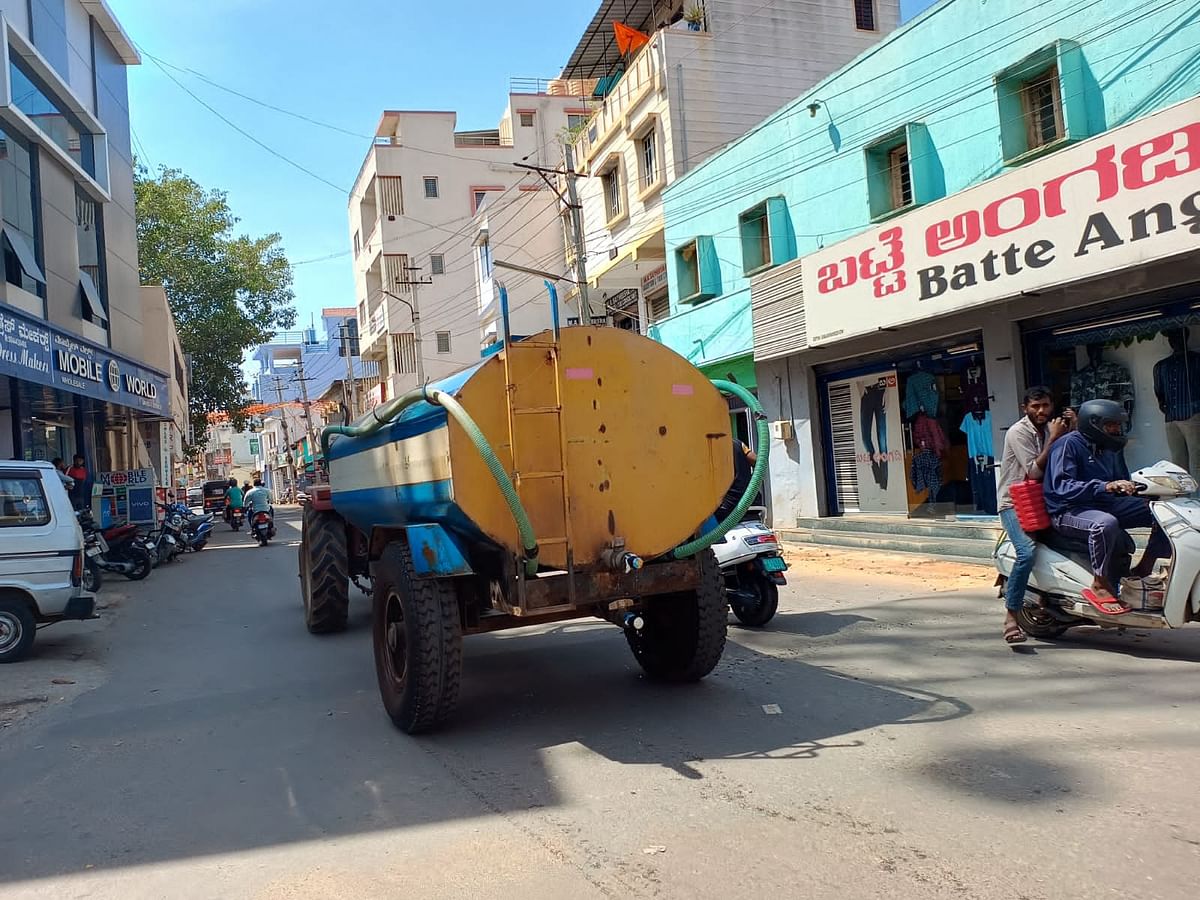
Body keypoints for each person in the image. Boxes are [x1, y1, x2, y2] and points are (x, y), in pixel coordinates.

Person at [1043, 398, 1170, 615]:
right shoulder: (1067, 445)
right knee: (1104, 524)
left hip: (1105, 503)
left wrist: (1142, 486)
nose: (1116, 429)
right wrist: (1106, 486)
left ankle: (1143, 568)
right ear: (1093, 423)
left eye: (1119, 425)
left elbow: (1120, 480)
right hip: (1068, 510)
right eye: (1111, 424)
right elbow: (1063, 486)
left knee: (1163, 512)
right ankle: (1100, 583)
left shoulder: (1111, 447)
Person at [994, 387, 1074, 643]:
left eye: (1045, 405)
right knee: (1026, 552)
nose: (1041, 411)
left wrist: (1073, 429)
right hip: (1015, 504)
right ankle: (1011, 616)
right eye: (1035, 406)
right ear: (1024, 408)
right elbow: (1033, 472)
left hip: (1047, 501)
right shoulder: (1019, 432)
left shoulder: (1052, 427)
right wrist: (1054, 437)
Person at [715, 438, 757, 522]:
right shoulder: (738, 443)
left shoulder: (711, 447)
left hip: (728, 506)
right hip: (752, 500)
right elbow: (755, 460)